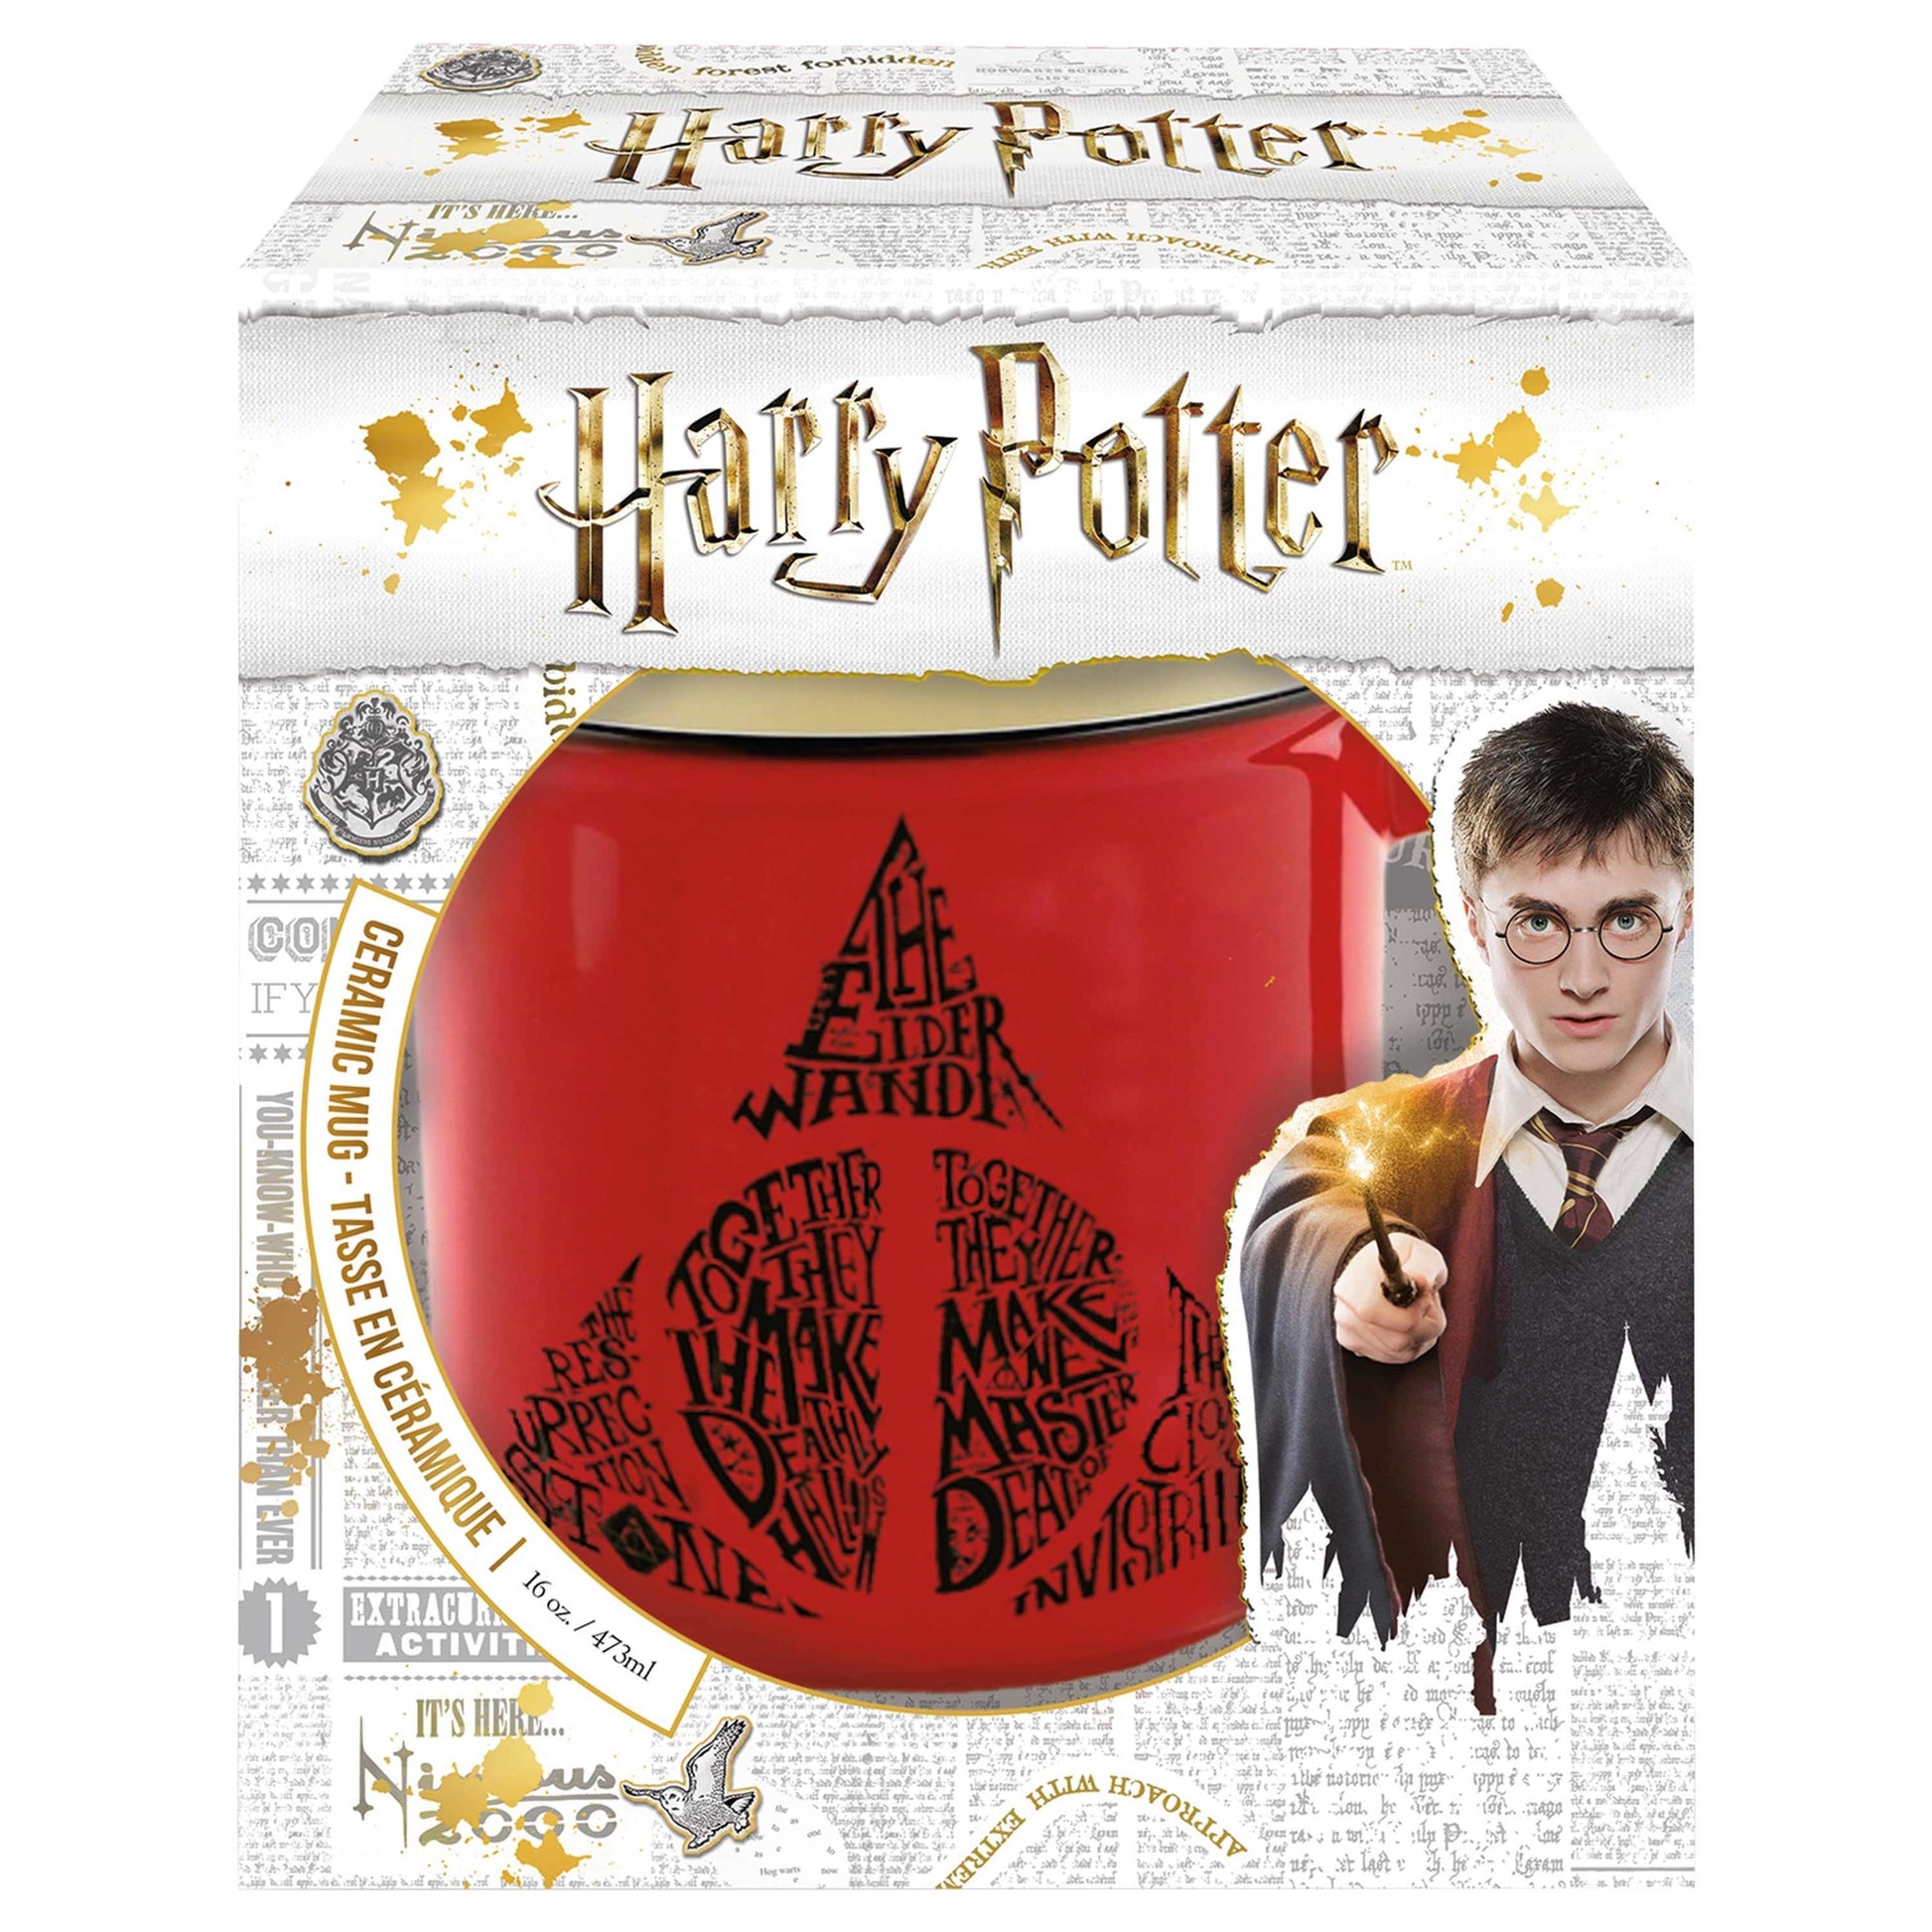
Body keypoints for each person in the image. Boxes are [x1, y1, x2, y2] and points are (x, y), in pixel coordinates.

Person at [1240, 702, 1693, 1712]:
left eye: (1626, 919)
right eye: (1537, 922)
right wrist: (1350, 1273)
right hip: (1455, 1715)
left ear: (1687, 910)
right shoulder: (1403, 1141)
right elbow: (1312, 1200)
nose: (1584, 977)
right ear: (1474, 920)